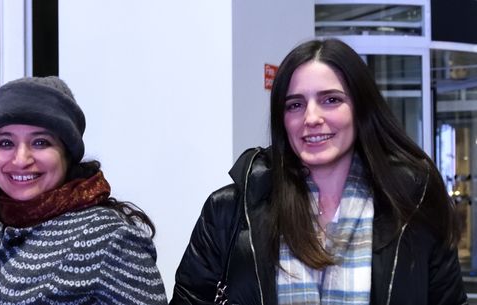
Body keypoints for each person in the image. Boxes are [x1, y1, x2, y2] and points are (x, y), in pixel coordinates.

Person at [170, 39, 466, 305]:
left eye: (331, 100)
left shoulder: (412, 204)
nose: (311, 118)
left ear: (361, 109)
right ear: (282, 119)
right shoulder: (230, 209)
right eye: (295, 104)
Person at [0, 76, 168, 304]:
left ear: (67, 154)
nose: (21, 159)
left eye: (40, 143)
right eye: (6, 143)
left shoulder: (106, 236)